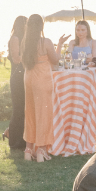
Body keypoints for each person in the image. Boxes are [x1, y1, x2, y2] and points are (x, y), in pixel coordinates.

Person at [23, 13, 68, 162]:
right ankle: (42, 149)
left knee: (30, 113)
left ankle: (28, 149)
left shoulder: (25, 42)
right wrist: (60, 44)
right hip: (42, 78)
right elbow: (55, 60)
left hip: (29, 78)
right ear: (41, 26)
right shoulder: (45, 42)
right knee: (44, 113)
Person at [4, 15, 27, 151]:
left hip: (25, 76)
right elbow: (17, 59)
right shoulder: (15, 38)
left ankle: (22, 139)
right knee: (18, 109)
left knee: (25, 109)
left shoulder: (23, 39)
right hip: (17, 78)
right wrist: (30, 55)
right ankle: (14, 140)